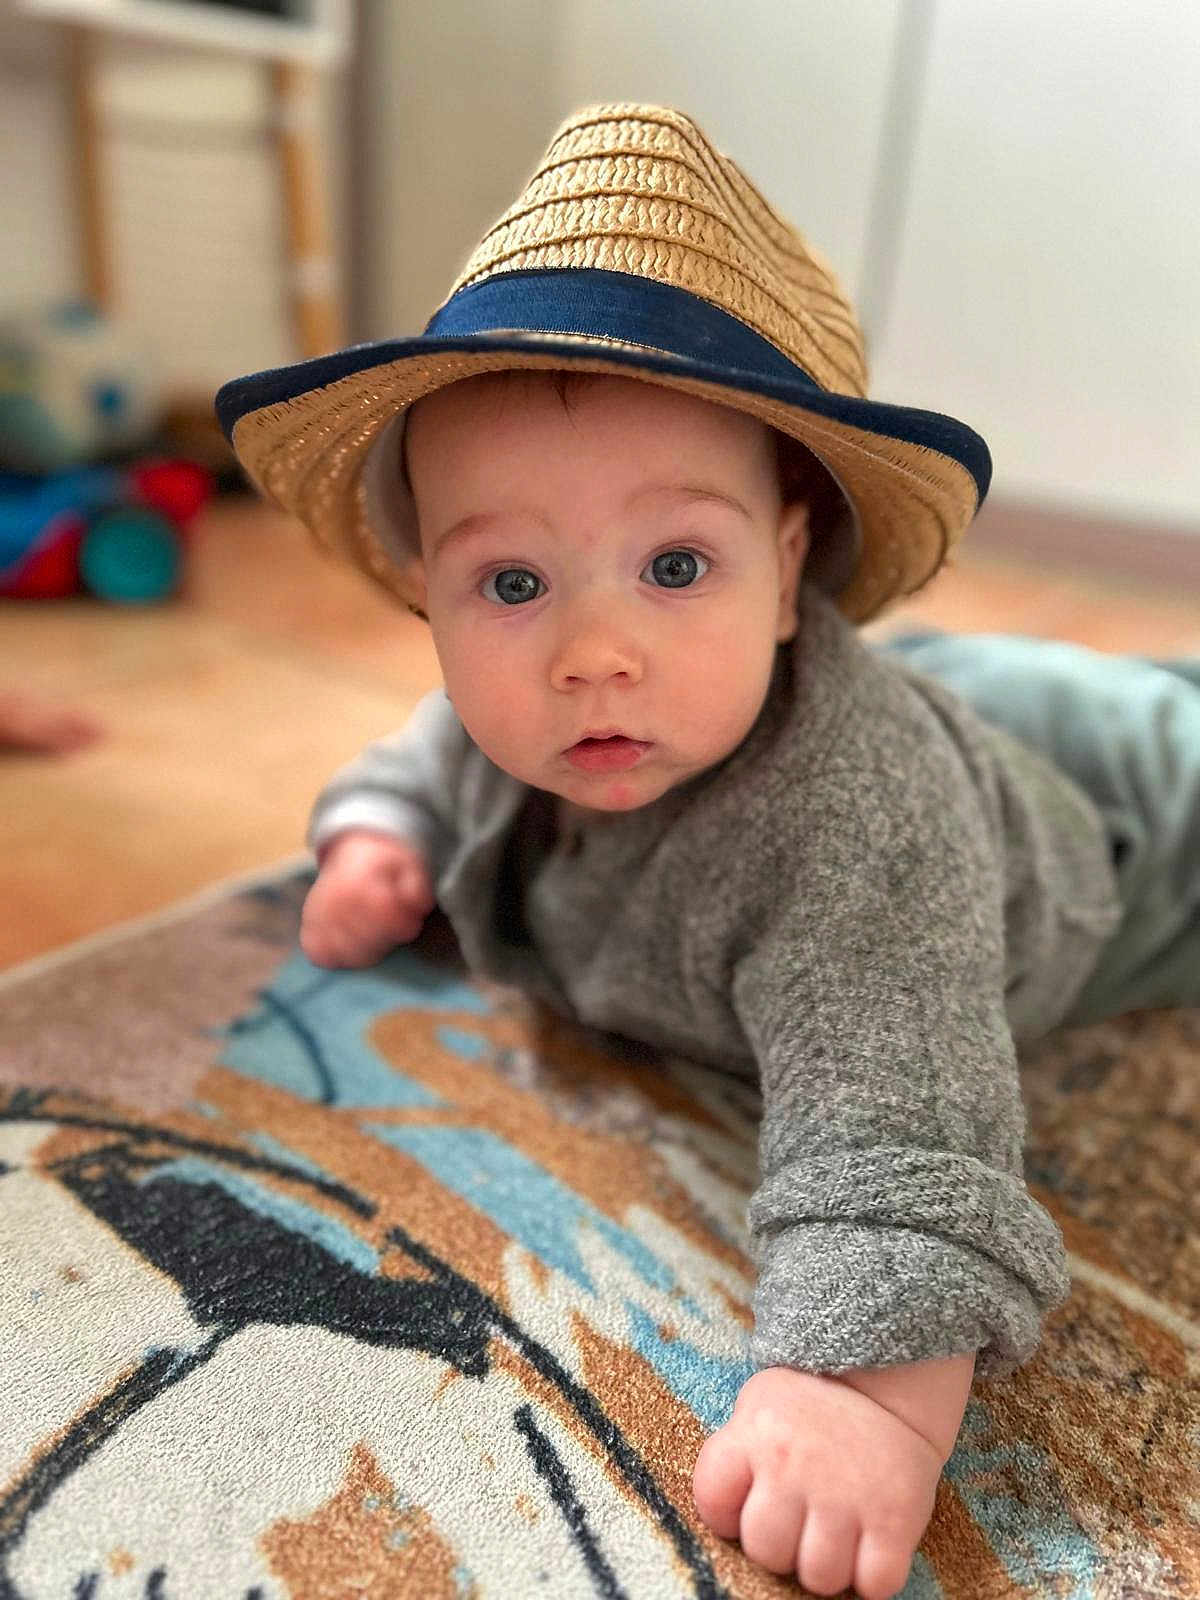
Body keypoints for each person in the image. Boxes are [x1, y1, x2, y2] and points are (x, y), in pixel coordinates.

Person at [216, 105, 1199, 1600]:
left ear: (790, 565)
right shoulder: (559, 705)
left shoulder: (848, 830)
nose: (592, 652)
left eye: (677, 566)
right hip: (945, 701)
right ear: (429, 589)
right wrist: (379, 834)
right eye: (512, 581)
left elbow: (901, 1117)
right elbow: (434, 743)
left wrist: (861, 1393)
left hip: (1136, 827)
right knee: (978, 692)